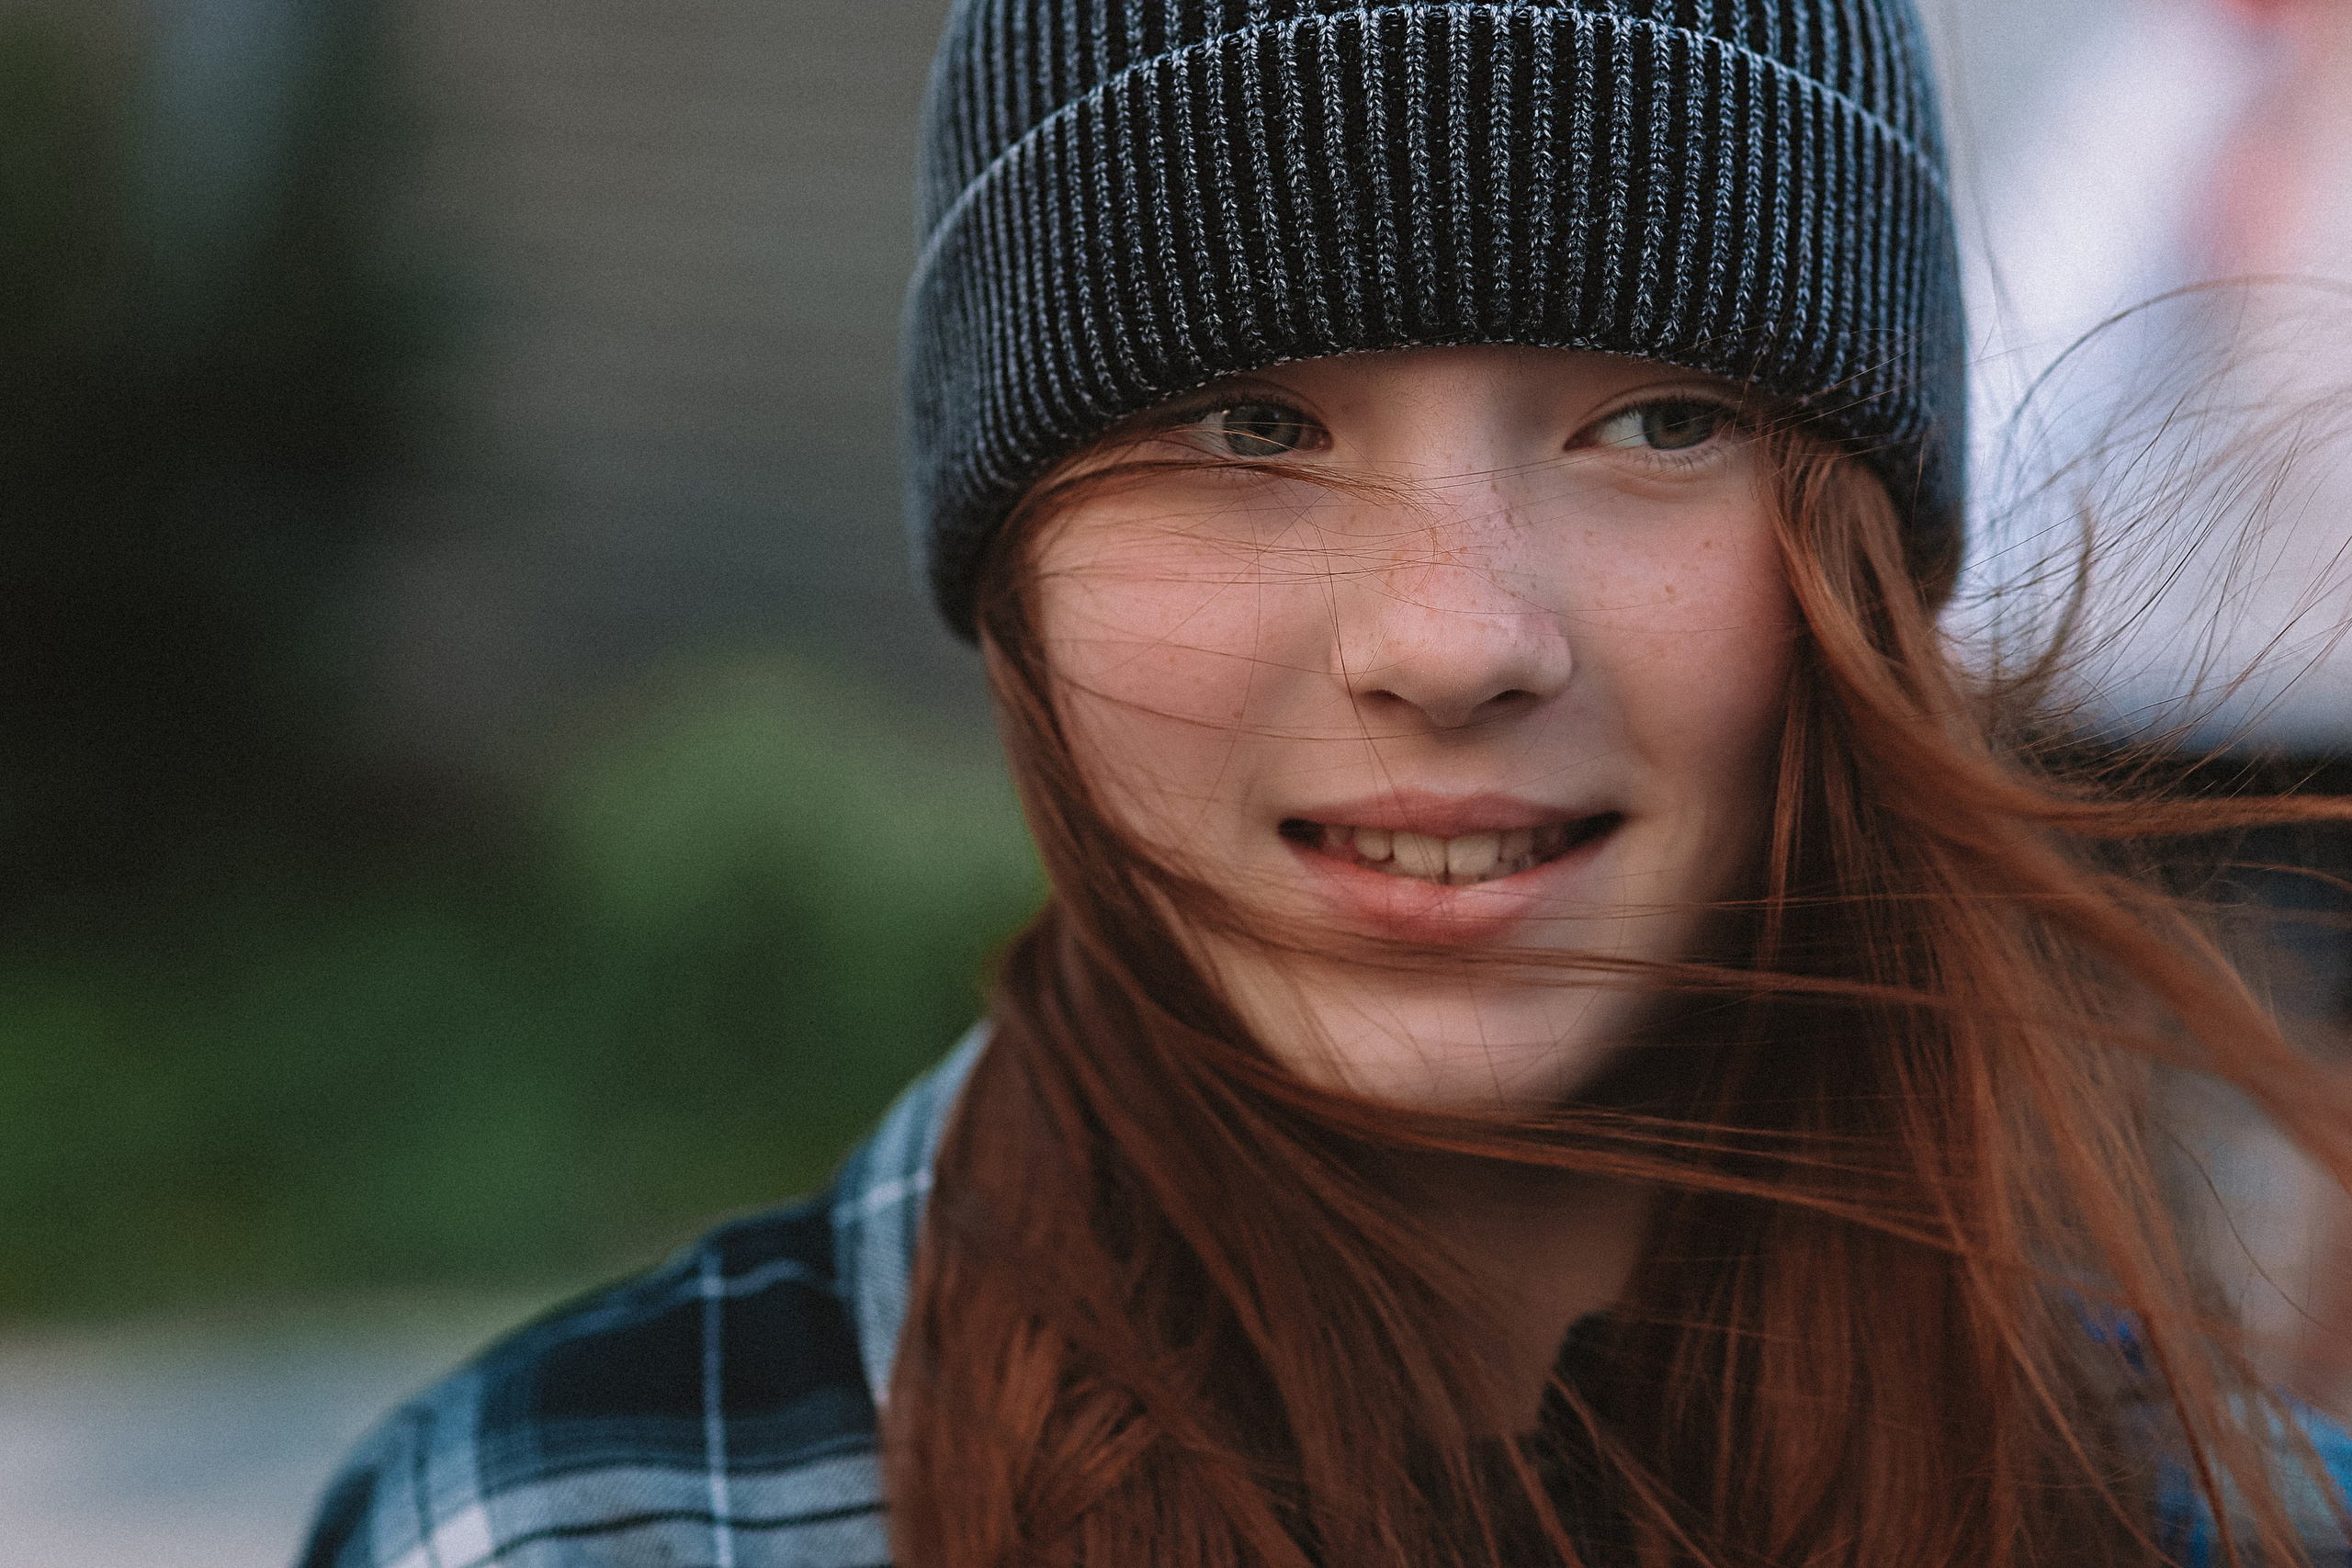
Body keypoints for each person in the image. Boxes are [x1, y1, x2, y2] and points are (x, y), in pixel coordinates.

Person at [297, 2, 2352, 1564]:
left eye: (1651, 419)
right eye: (1245, 422)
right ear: (1005, 556)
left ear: (1876, 565)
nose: (1453, 638)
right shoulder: (569, 1519)